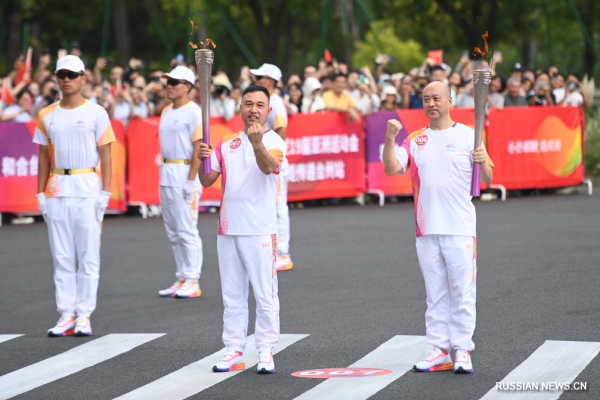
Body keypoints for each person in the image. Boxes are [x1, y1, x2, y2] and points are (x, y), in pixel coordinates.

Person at [382, 81, 494, 374]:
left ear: (449, 99)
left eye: (436, 98)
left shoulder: (470, 135)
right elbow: (392, 168)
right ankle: (439, 350)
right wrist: (391, 139)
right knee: (435, 294)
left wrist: (482, 162)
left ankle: (462, 350)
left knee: (462, 291)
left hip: (460, 227)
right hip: (426, 227)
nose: (431, 103)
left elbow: (490, 178)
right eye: (426, 99)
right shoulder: (415, 139)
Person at [197, 85, 285, 374]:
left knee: (264, 294)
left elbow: (268, 167)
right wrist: (203, 158)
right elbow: (208, 180)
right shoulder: (227, 142)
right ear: (240, 108)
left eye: (260, 105)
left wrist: (257, 143)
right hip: (228, 228)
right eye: (248, 104)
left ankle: (265, 349)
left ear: (268, 111)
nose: (254, 109)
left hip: (260, 229)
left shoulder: (274, 141)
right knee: (232, 295)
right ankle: (234, 348)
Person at [34, 55, 114, 337]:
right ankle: (66, 314)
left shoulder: (96, 113)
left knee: (88, 254)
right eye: (61, 75)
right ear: (56, 78)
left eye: (71, 75)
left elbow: (106, 155)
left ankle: (84, 315)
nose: (66, 80)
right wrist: (40, 193)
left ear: (83, 78)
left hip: (87, 185)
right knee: (62, 256)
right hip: (57, 187)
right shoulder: (46, 114)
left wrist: (105, 194)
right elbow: (43, 156)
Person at [156, 66, 204, 299]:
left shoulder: (193, 111)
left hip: (185, 172)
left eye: (175, 82)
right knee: (173, 231)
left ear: (187, 86)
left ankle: (193, 279)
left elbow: (198, 148)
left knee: (186, 229)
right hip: (166, 172)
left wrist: (191, 181)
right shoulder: (166, 111)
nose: (170, 86)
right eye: (168, 82)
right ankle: (182, 276)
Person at [250, 63, 294, 271]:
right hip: (265, 160)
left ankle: (283, 253)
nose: (255, 81)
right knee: (268, 206)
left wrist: (276, 158)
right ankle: (272, 250)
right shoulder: (266, 101)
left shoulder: (275, 102)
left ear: (269, 81)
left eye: (259, 78)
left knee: (278, 208)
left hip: (274, 161)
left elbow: (281, 131)